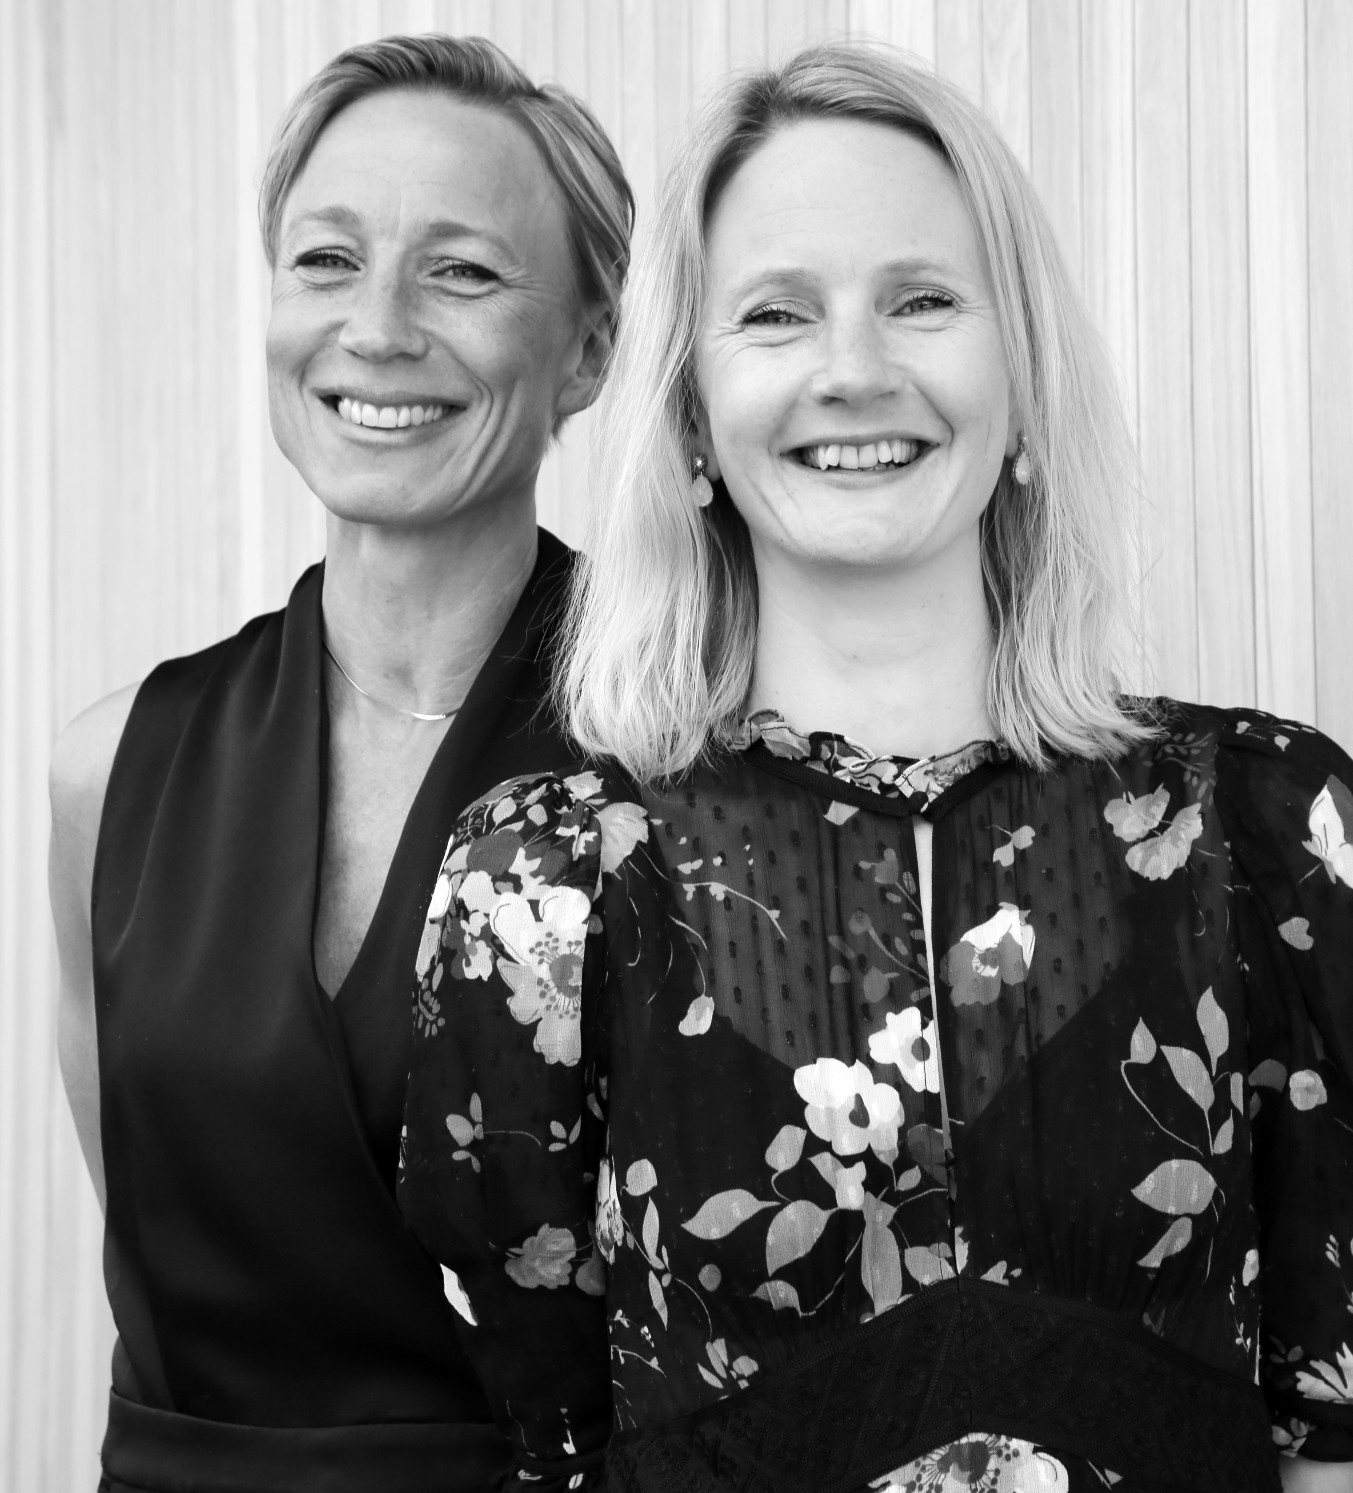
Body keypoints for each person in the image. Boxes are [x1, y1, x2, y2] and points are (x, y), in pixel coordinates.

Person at [396, 41, 1353, 1493]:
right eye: (776, 314)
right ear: (691, 419)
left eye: (921, 300)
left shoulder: (1267, 827)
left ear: (1022, 380)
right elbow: (559, 1440)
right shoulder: (540, 889)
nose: (853, 371)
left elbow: (1329, 1432)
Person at [47, 33, 632, 1493]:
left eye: (462, 272)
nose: (376, 328)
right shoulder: (111, 771)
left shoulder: (685, 759)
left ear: (587, 352)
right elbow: (169, 1252)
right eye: (326, 261)